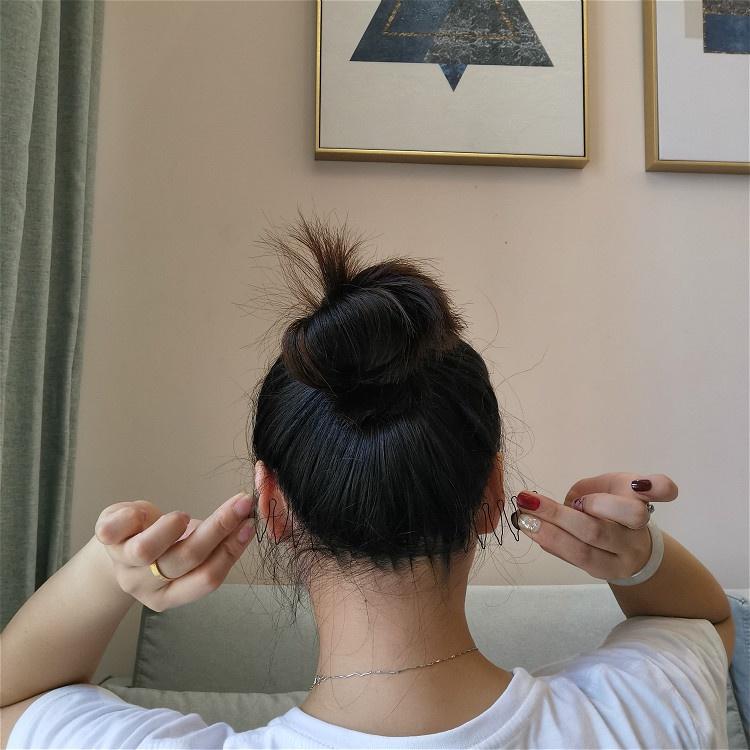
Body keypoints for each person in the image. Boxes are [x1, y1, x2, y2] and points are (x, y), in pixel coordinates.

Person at [1, 214, 734, 749]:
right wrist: (638, 559)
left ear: (270, 504)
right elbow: (710, 623)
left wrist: (114, 568)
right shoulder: (639, 717)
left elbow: (12, 703)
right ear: (493, 494)